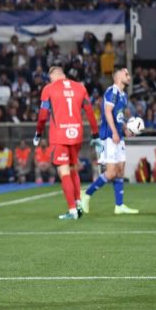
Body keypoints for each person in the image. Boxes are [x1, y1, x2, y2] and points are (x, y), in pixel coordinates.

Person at [33, 66, 99, 220]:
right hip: (77, 134)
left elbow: (43, 115)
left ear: (53, 76)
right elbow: (89, 111)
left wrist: (38, 133)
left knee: (63, 172)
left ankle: (72, 211)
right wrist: (95, 134)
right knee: (72, 168)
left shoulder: (49, 89)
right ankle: (77, 203)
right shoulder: (80, 87)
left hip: (60, 135)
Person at [80, 67, 139, 215]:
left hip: (119, 135)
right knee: (111, 172)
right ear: (118, 76)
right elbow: (107, 112)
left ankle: (119, 206)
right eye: (126, 74)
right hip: (109, 136)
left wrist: (125, 128)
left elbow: (118, 116)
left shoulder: (123, 95)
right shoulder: (111, 91)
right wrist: (114, 132)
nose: (129, 77)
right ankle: (86, 194)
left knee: (120, 171)